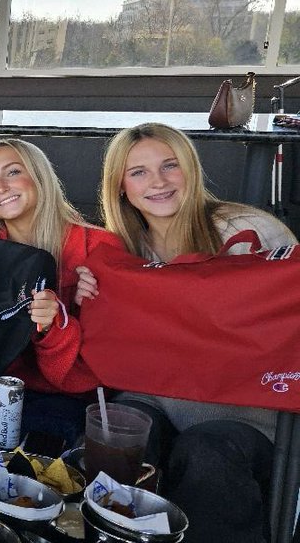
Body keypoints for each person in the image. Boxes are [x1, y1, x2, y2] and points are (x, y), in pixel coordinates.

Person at [81, 123, 296, 542]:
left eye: (169, 166)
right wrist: (88, 293)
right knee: (112, 436)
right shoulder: (120, 251)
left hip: (244, 415)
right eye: (138, 172)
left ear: (191, 170)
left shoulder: (247, 229)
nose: (157, 182)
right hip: (152, 394)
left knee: (205, 451)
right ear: (122, 187)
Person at [0, 138, 124, 443]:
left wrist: (57, 325)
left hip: (72, 402)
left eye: (13, 172)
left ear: (39, 175)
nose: (1, 187)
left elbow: (101, 368)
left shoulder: (99, 247)